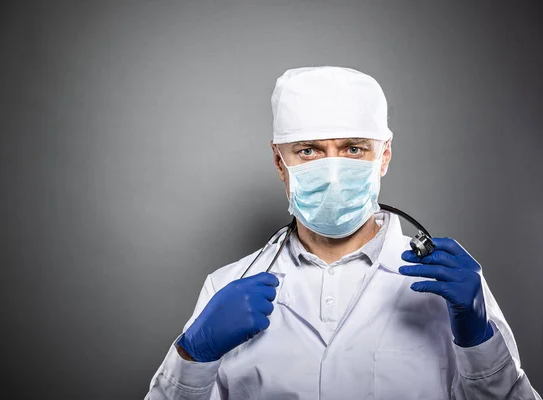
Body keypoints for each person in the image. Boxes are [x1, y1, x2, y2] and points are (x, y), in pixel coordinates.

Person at [145, 66, 541, 399]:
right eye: (309, 151)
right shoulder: (226, 288)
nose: (333, 172)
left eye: (353, 149)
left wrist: (480, 340)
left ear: (383, 155)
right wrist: (191, 355)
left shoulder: (448, 289)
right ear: (280, 162)